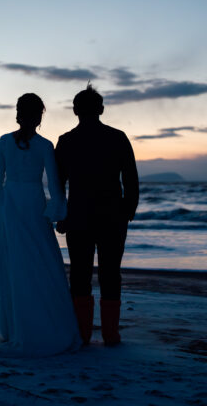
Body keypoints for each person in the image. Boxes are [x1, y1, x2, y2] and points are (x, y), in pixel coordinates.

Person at [0, 93, 81, 357]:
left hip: (11, 205)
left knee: (16, 265)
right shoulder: (45, 145)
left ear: (18, 113)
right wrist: (58, 212)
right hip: (33, 204)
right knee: (42, 261)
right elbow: (55, 185)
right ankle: (42, 322)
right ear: (39, 116)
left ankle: (17, 328)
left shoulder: (4, 142)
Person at [55, 84, 139, 346]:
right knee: (110, 273)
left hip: (79, 216)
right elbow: (131, 179)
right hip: (112, 216)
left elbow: (58, 184)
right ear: (101, 110)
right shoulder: (117, 137)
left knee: (80, 274)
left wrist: (61, 215)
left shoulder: (67, 141)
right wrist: (128, 210)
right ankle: (111, 335)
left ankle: (83, 334)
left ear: (75, 111)